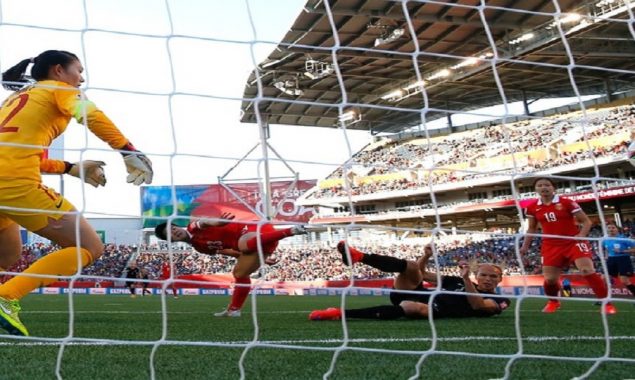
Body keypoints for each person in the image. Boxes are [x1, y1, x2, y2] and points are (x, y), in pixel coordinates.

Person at [0, 50, 154, 336]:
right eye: (78, 70)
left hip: (6, 183)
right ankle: (6, 298)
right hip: (15, 184)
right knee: (90, 248)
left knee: (7, 255)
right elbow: (90, 114)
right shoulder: (59, 89)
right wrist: (127, 150)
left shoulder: (15, 99)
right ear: (58, 70)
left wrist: (70, 167)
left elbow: (24, 155)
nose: (81, 77)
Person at [154, 212, 306, 317]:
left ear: (178, 226)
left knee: (244, 245)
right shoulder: (199, 247)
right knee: (239, 274)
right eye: (171, 234)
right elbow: (227, 251)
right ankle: (234, 310)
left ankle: (290, 231)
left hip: (254, 230)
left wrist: (218, 222)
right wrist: (262, 259)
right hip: (261, 243)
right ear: (171, 241)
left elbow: (205, 222)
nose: (175, 232)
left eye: (174, 228)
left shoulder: (192, 227)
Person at [309, 242, 510, 321]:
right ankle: (359, 256)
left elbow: (478, 306)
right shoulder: (455, 280)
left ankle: (338, 313)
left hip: (435, 310)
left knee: (411, 307)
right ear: (478, 276)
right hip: (417, 292)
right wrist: (426, 257)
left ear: (500, 279)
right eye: (484, 275)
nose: (487, 279)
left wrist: (466, 280)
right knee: (412, 266)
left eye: (493, 276)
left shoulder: (500, 300)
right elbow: (422, 273)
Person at [519, 177, 615, 314]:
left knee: (587, 270)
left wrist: (581, 235)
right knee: (550, 279)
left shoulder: (567, 202)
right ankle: (553, 302)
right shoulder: (531, 207)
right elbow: (532, 229)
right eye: (540, 185)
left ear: (554, 188)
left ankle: (607, 304)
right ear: (536, 189)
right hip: (550, 245)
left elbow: (586, 221)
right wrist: (525, 246)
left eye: (547, 185)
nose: (544, 187)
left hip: (573, 242)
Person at [603, 222, 635, 299]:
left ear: (617, 229)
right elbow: (606, 248)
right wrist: (606, 256)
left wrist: (622, 251)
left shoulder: (623, 238)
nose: (611, 229)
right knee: (604, 278)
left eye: (613, 228)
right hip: (611, 259)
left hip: (623, 259)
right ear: (606, 229)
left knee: (624, 281)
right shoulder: (605, 239)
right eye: (609, 228)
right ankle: (604, 298)